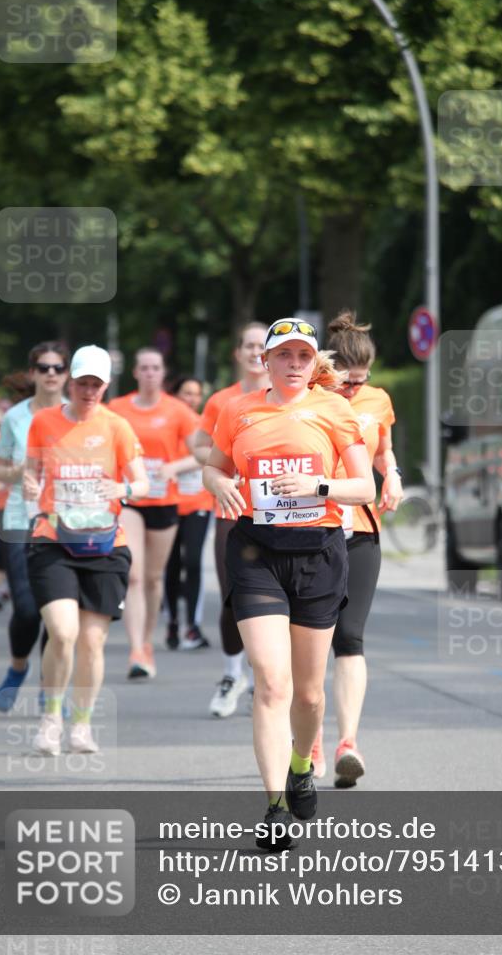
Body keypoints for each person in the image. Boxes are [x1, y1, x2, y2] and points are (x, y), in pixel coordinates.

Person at [203, 318, 375, 848]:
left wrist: (317, 484)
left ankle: (303, 764)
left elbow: (364, 484)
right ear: (267, 362)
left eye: (304, 355)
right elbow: (212, 467)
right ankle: (275, 805)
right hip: (256, 552)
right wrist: (221, 485)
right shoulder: (237, 409)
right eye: (285, 355)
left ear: (311, 361)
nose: (295, 363)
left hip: (319, 554)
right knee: (271, 682)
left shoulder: (334, 409)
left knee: (308, 693)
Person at [23, 346, 148, 755]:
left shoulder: (117, 427)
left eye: (97, 384)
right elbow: (32, 468)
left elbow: (142, 483)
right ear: (70, 382)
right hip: (53, 540)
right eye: (82, 383)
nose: (89, 391)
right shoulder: (44, 422)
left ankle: (81, 724)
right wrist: (28, 486)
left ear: (106, 386)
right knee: (62, 632)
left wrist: (121, 488)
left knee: (92, 643)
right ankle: (50, 719)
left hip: (105, 544)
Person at [311, 312, 403, 788]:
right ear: (328, 371)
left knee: (350, 636)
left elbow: (382, 449)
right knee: (312, 643)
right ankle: (308, 741)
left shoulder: (377, 401)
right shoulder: (306, 400)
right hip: (310, 532)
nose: (353, 390)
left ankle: (347, 742)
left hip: (362, 530)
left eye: (361, 383)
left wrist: (395, 476)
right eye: (347, 382)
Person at [192, 322, 269, 717]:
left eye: (262, 345)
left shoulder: (286, 397)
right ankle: (232, 673)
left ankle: (263, 677)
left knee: (275, 600)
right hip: (231, 509)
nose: (257, 352)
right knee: (232, 595)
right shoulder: (223, 400)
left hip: (277, 514)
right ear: (238, 353)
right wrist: (223, 468)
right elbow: (199, 445)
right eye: (250, 345)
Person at [109, 348, 200, 679]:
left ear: (163, 374)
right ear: (135, 372)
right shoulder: (117, 409)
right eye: (144, 367)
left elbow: (204, 454)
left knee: (152, 578)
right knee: (133, 574)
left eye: (155, 368)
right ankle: (136, 650)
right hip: (130, 500)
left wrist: (174, 466)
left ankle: (147, 641)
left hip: (164, 502)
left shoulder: (178, 411)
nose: (149, 373)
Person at [0, 342, 70, 711]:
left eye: (58, 367)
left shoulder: (80, 415)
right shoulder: (15, 418)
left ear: (66, 373)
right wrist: (24, 469)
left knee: (55, 612)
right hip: (21, 522)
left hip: (67, 524)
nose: (51, 373)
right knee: (26, 609)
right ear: (33, 373)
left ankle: (48, 685)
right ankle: (17, 667)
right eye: (44, 367)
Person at [163, 377, 213, 650]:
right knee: (171, 566)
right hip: (169, 502)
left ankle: (192, 625)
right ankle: (172, 621)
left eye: (196, 394)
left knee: (193, 561)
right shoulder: (167, 424)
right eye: (186, 393)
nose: (192, 398)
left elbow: (208, 455)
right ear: (176, 394)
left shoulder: (206, 425)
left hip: (199, 503)